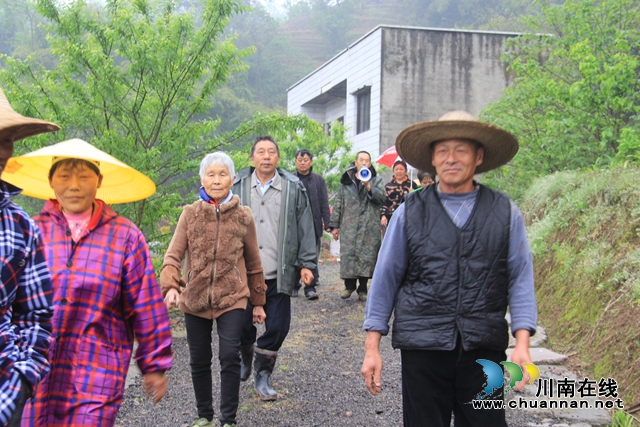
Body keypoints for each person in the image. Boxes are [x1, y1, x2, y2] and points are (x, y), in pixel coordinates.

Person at [361, 111, 537, 427]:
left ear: (478, 156)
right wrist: (372, 347)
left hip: (482, 347)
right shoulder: (408, 213)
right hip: (423, 349)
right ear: (432, 158)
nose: (451, 159)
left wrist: (522, 342)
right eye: (443, 150)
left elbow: (520, 277)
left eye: (461, 150)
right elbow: (386, 279)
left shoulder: (505, 213)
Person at [7, 139, 173, 427]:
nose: (74, 185)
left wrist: (154, 365)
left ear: (99, 181)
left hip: (97, 370)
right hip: (36, 367)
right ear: (50, 181)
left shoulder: (125, 237)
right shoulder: (32, 230)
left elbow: (146, 305)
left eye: (84, 176)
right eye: (64, 176)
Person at [160, 152, 267, 427]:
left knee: (229, 354)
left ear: (233, 179)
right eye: (211, 174)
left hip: (232, 296)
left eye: (223, 174)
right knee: (199, 359)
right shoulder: (190, 214)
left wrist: (258, 301)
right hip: (194, 298)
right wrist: (171, 286)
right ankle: (204, 416)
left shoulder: (244, 217)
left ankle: (228, 419)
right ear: (202, 179)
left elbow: (254, 262)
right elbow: (173, 256)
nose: (217, 180)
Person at [232, 136, 316, 401]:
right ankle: (246, 354)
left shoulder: (293, 187)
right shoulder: (238, 186)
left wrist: (307, 263)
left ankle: (263, 373)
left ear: (278, 159)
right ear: (252, 158)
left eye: (271, 152)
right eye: (260, 152)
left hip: (278, 272)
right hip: (243, 274)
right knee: (242, 326)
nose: (266, 156)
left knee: (278, 327)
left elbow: (305, 227)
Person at [0, 87, 57, 427]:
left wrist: (23, 380)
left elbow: (35, 313)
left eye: (8, 140)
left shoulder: (20, 225)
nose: (5, 151)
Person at [329, 151, 386, 301]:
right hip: (350, 224)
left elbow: (382, 198)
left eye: (367, 160)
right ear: (356, 163)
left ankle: (362, 288)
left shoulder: (376, 179)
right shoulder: (346, 180)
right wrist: (335, 225)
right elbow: (338, 203)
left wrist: (368, 187)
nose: (364, 163)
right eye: (361, 160)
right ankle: (349, 286)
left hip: (368, 225)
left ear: (370, 163)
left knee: (366, 256)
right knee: (349, 255)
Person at [292, 149, 331, 300]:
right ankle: (295, 285)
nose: (303, 163)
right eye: (300, 160)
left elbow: (324, 203)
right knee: (294, 255)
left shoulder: (318, 180)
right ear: (295, 161)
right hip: (295, 224)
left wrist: (327, 222)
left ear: (311, 162)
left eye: (306, 160)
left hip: (313, 224)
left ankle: (310, 288)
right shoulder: (290, 179)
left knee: (312, 256)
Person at [380, 160, 417, 230]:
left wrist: (413, 193)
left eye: (401, 169)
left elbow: (417, 201)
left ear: (406, 171)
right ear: (393, 171)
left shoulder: (412, 185)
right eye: (396, 169)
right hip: (392, 218)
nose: (399, 171)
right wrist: (383, 215)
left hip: (408, 218)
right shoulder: (388, 186)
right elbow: (384, 202)